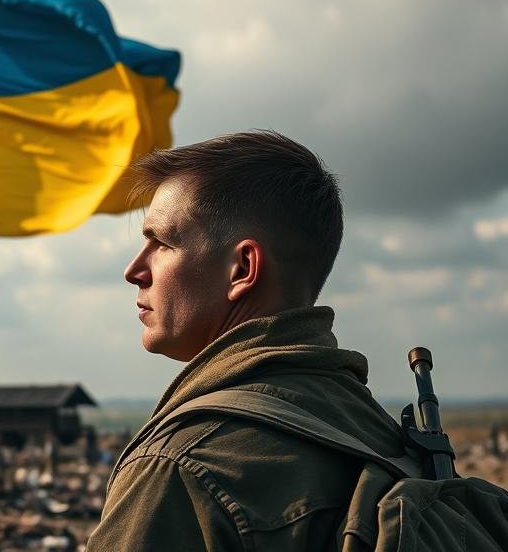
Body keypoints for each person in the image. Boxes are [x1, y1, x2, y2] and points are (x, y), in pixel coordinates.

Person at [85, 131, 405, 550]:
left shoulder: (180, 467)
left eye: (161, 243)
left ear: (242, 268)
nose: (134, 270)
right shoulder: (380, 433)